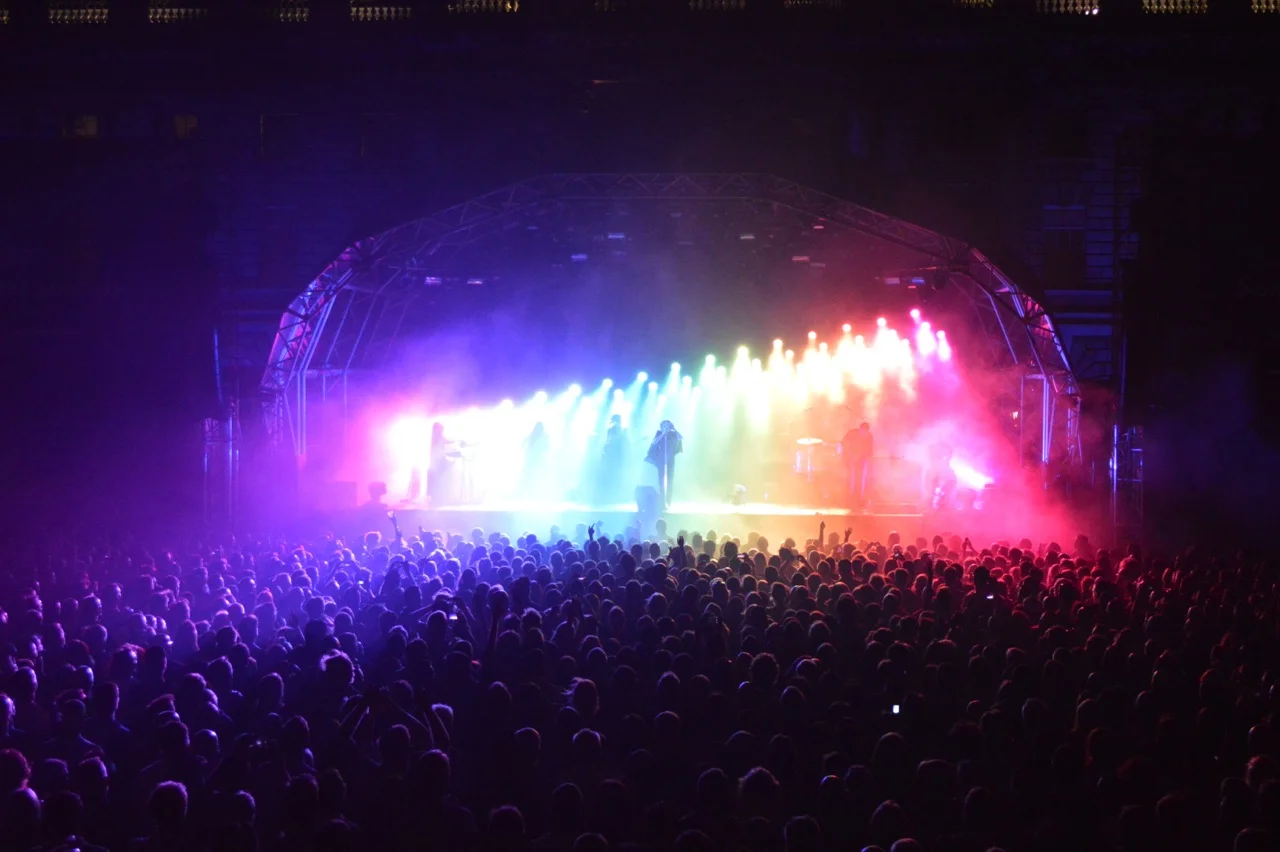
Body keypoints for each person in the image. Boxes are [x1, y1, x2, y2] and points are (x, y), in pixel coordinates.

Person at [645, 420, 683, 509]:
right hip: (661, 460)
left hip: (670, 460)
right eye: (664, 425)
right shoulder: (659, 433)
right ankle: (662, 502)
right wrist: (663, 434)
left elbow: (680, 438)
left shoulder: (673, 434)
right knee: (661, 481)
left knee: (670, 481)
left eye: (668, 425)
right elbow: (654, 442)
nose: (666, 427)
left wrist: (674, 429)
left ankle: (668, 501)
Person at [841, 422, 873, 508]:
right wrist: (849, 453)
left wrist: (865, 457)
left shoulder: (869, 436)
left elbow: (870, 450)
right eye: (863, 431)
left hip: (862, 460)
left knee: (861, 480)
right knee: (851, 478)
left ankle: (859, 499)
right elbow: (844, 442)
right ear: (860, 429)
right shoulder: (852, 433)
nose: (864, 434)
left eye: (866, 432)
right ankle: (850, 499)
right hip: (851, 459)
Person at [600, 414, 629, 504]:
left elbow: (625, 444)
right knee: (611, 476)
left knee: (617, 476)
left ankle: (616, 497)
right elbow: (608, 441)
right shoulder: (612, 430)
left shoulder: (622, 430)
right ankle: (610, 497)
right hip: (611, 456)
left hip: (617, 456)